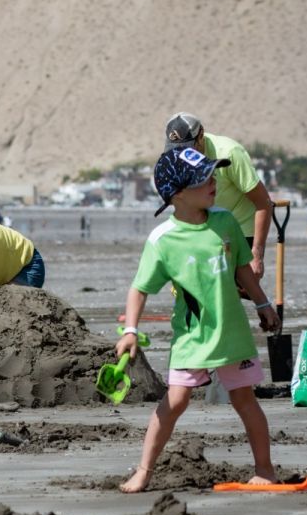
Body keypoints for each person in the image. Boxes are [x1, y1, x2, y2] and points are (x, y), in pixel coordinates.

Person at [116, 148, 280, 493]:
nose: (213, 182)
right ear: (177, 192)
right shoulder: (163, 240)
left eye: (212, 174)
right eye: (203, 178)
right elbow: (140, 288)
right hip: (191, 335)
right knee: (175, 401)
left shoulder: (225, 221)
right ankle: (144, 471)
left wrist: (263, 303)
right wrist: (131, 330)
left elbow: (242, 269)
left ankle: (265, 469)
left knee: (244, 399)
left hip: (231, 332)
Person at [164, 112, 273, 280]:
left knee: (227, 296)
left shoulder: (229, 152)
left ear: (201, 135)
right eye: (177, 150)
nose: (182, 155)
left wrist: (257, 256)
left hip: (240, 233)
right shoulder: (175, 160)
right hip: (206, 231)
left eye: (187, 148)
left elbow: (263, 203)